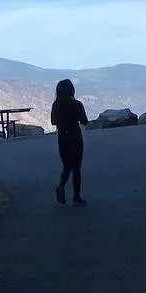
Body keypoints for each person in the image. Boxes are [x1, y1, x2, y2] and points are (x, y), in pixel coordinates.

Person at [50, 78, 89, 206]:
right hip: (75, 137)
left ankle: (61, 186)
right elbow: (84, 121)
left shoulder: (56, 105)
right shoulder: (77, 104)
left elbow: (53, 121)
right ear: (72, 90)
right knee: (76, 167)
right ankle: (76, 197)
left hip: (62, 138)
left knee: (67, 166)